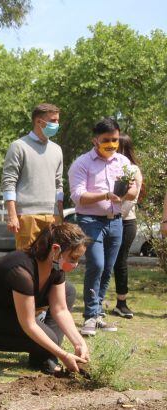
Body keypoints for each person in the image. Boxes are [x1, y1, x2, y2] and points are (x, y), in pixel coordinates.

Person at [0, 224, 90, 374]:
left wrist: (79, 342)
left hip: (16, 305)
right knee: (47, 339)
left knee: (68, 291)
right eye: (73, 258)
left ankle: (42, 356)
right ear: (55, 250)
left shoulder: (56, 266)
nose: (76, 265)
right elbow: (29, 324)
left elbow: (60, 309)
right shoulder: (21, 271)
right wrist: (63, 354)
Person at [70, 118, 137, 336]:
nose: (111, 144)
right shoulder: (82, 163)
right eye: (106, 140)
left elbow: (134, 191)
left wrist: (125, 191)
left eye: (115, 140)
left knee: (108, 269)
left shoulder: (123, 163)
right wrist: (106, 194)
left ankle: (98, 314)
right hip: (90, 221)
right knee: (96, 265)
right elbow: (78, 196)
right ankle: (89, 316)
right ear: (95, 140)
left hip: (116, 221)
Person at [2, 103, 64, 250]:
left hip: (52, 217)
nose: (57, 124)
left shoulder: (57, 150)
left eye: (57, 120)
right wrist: (12, 215)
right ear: (38, 121)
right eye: (53, 121)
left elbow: (59, 184)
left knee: (50, 264)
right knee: (26, 263)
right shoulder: (18, 146)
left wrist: (60, 216)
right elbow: (8, 182)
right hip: (26, 216)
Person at [111, 135, 143, 319]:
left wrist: (113, 214)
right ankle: (95, 303)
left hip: (126, 221)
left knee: (120, 261)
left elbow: (132, 198)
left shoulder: (132, 170)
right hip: (107, 219)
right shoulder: (109, 167)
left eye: (116, 144)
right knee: (103, 262)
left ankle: (121, 303)